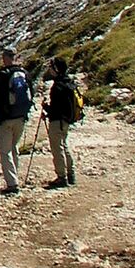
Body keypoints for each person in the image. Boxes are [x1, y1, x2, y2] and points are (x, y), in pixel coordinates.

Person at [0, 51, 33, 194]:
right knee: (14, 147)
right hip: (21, 117)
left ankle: (12, 184)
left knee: (5, 150)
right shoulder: (24, 73)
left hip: (5, 118)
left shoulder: (3, 75)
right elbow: (31, 94)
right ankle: (15, 176)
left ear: (6, 58)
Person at [45, 59, 88, 189]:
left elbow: (55, 108)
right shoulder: (69, 83)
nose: (50, 69)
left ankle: (61, 177)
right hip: (67, 120)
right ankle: (71, 174)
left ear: (56, 69)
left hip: (57, 121)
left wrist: (46, 108)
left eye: (52, 67)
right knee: (64, 146)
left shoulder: (58, 86)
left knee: (57, 148)